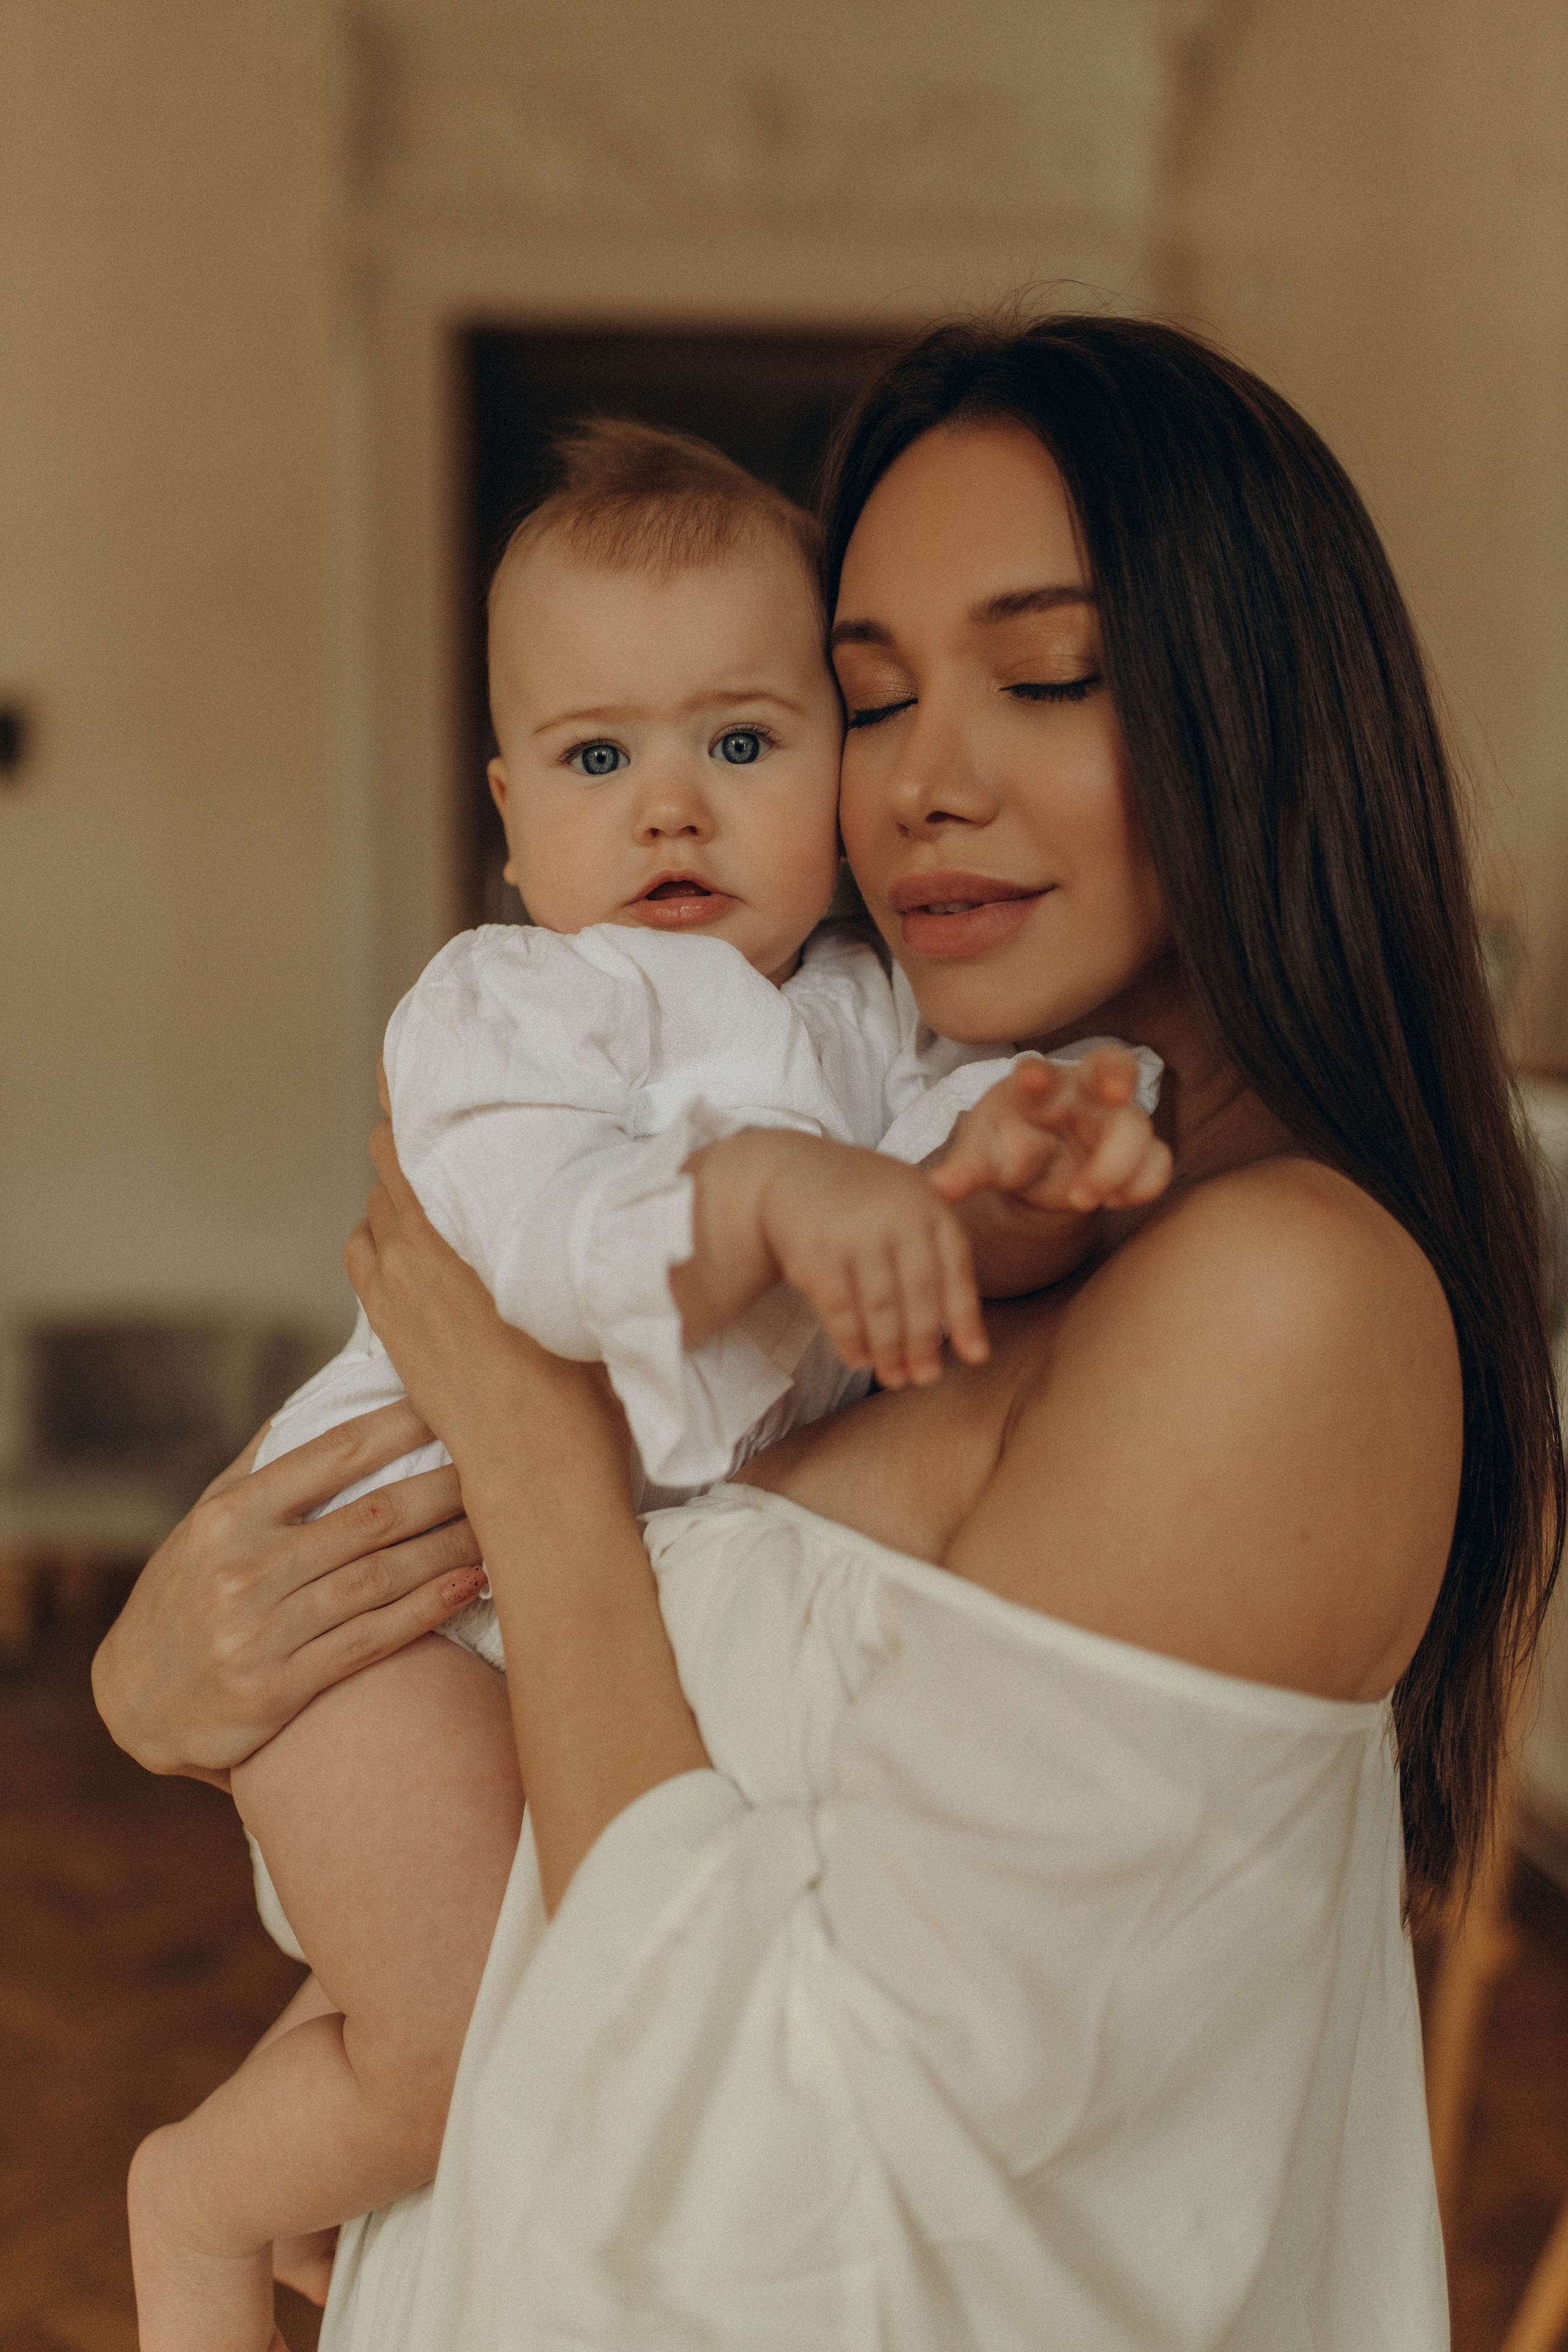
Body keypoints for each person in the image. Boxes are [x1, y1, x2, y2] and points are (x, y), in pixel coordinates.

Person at [94, 312, 1564, 2350]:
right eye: (869, 703)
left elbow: (803, 2202)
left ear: (1265, 716)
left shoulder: (1279, 1309)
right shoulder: (876, 1203)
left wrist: (535, 1466)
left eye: (1047, 677)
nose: (927, 783)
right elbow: (630, 1852)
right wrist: (173, 1676)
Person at [120, 415, 1167, 2352]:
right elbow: (546, 1246)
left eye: (742, 745)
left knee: (488, 2015)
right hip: (388, 1621)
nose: (670, 812)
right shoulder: (512, 1007)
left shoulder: (866, 1012)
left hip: (579, 1623)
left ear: (835, 777)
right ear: (512, 816)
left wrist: (1031, 1159)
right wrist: (783, 1195)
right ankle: (195, 2202)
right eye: (603, 759)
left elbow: (935, 1204)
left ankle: (347, 2215)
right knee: (444, 2055)